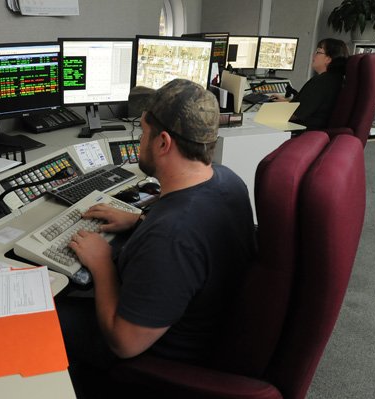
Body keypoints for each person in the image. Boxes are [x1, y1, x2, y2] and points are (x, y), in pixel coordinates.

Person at [55, 79, 257, 396]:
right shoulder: (228, 180)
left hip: (154, 355)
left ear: (163, 143)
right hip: (196, 323)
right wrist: (138, 220)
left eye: (142, 133)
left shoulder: (172, 235)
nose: (139, 142)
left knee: (43, 313)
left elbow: (124, 344)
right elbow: (192, 231)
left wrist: (102, 263)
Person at [270, 38, 349, 130]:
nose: (313, 55)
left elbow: (295, 115)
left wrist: (266, 112)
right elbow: (309, 106)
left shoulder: (321, 82)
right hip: (318, 133)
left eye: (318, 52)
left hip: (305, 132)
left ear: (328, 59)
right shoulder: (336, 79)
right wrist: (286, 103)